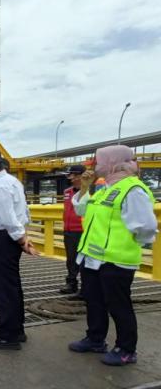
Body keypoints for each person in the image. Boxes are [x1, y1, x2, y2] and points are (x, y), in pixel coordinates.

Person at [68, 145, 156, 366]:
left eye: (98, 162)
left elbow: (145, 227)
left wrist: (126, 244)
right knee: (94, 301)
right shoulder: (105, 188)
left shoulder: (133, 189)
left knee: (118, 305)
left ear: (113, 163)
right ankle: (95, 339)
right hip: (93, 259)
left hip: (116, 260)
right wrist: (85, 188)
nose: (95, 166)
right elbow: (80, 209)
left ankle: (126, 349)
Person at [0, 148, 38, 350]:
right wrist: (22, 237)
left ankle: (8, 335)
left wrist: (21, 240)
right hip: (8, 238)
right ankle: (15, 329)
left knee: (4, 288)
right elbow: (24, 212)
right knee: (11, 285)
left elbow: (8, 219)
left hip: (1, 238)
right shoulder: (12, 182)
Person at [59, 165, 86, 296]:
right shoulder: (67, 192)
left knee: (84, 260)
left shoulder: (88, 192)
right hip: (69, 230)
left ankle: (86, 286)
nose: (72, 178)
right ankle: (71, 282)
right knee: (71, 259)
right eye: (71, 175)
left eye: (74, 175)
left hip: (83, 230)